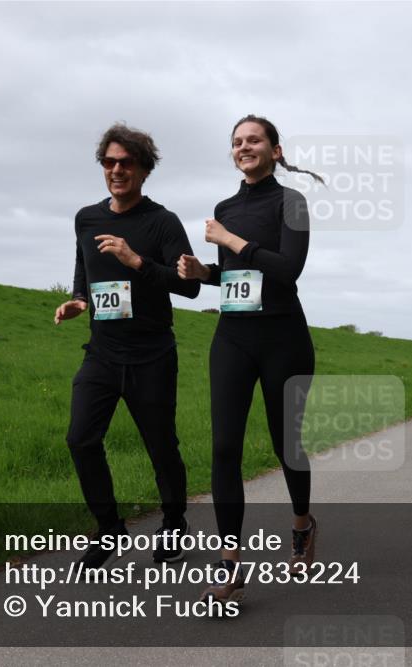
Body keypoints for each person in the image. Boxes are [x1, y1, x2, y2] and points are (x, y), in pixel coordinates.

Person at [178, 114, 322, 605]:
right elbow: (240, 274)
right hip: (233, 338)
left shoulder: (292, 202)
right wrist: (206, 273)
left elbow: (287, 270)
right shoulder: (225, 207)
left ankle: (302, 524)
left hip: (284, 338)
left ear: (275, 150)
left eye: (254, 139)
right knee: (224, 449)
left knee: (287, 444)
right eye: (237, 142)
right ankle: (229, 564)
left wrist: (230, 241)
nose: (244, 147)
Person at [54, 123, 199, 568]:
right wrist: (80, 299)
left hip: (152, 354)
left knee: (161, 446)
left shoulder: (162, 222)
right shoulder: (86, 218)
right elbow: (85, 265)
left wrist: (135, 260)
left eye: (126, 163)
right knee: (80, 439)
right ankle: (110, 529)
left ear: (143, 169)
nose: (116, 170)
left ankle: (174, 523)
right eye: (109, 162)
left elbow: (188, 287)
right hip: (102, 351)